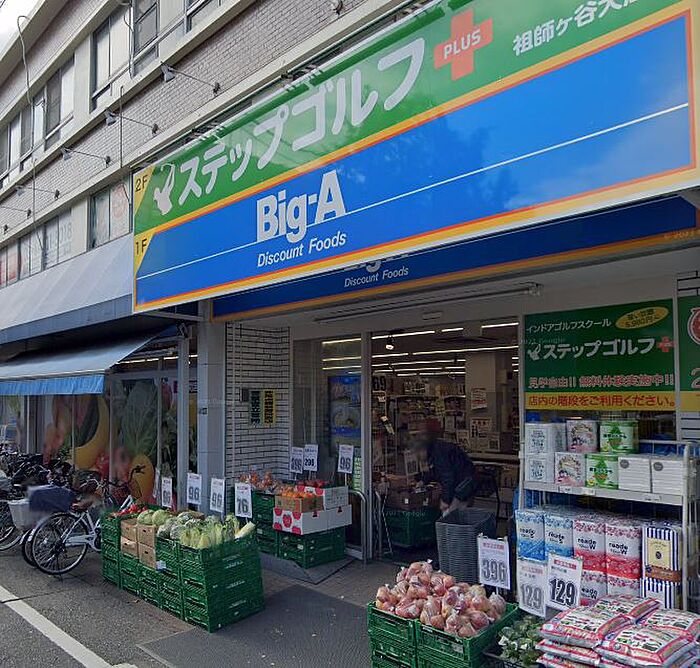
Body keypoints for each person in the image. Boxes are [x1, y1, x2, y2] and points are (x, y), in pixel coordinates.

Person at [413, 419, 477, 515]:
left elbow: (447, 477)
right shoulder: (436, 449)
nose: (420, 459)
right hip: (464, 480)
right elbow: (437, 471)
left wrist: (445, 500)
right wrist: (423, 481)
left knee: (452, 513)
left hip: (464, 482)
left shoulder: (439, 453)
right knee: (455, 513)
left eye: (419, 455)